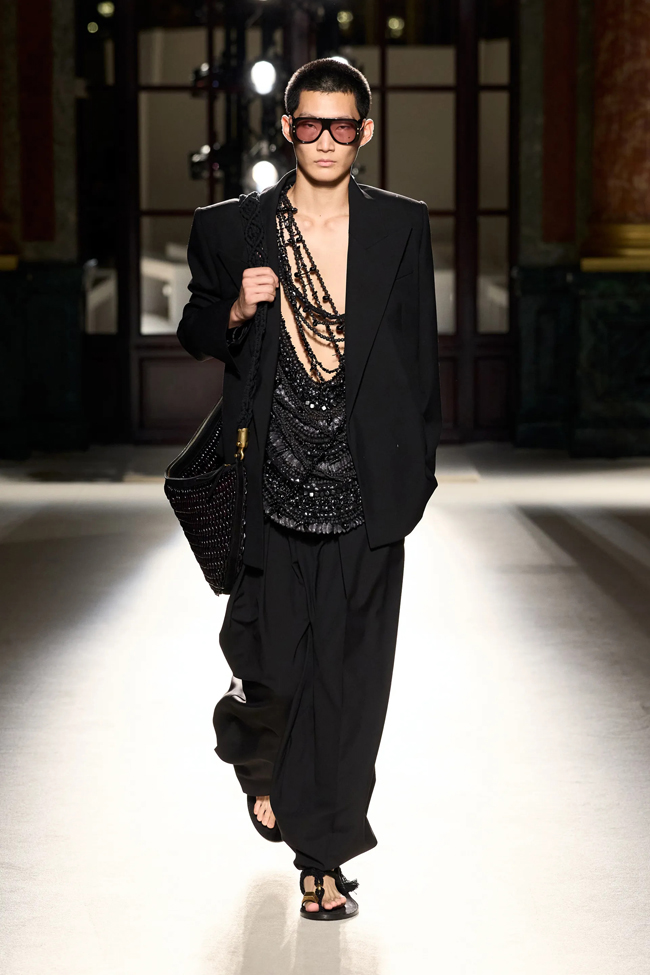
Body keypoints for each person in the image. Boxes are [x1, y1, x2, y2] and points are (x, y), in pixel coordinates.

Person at [177, 58, 441, 920]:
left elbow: (419, 356)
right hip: (270, 489)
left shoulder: (400, 225)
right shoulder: (235, 228)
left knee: (352, 684)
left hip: (365, 495)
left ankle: (322, 856)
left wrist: (415, 474)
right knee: (274, 669)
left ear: (365, 132)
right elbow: (193, 325)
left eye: (342, 124)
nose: (326, 139)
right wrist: (235, 310)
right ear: (287, 128)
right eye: (310, 124)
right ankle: (264, 763)